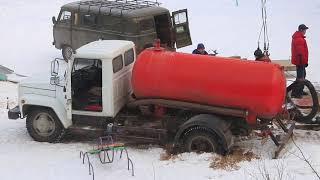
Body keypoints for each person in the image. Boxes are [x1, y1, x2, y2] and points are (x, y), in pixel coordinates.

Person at [291, 24, 309, 98]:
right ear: (301, 30)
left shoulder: (299, 37)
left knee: (302, 76)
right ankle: (296, 93)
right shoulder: (299, 39)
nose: (305, 31)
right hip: (300, 61)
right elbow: (300, 52)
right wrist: (303, 63)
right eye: (305, 30)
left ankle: (299, 91)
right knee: (300, 78)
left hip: (300, 61)